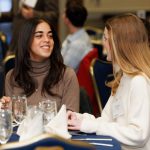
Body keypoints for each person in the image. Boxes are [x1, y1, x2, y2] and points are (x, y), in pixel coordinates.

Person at [67, 13, 150, 150]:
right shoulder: (123, 78)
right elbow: (106, 122)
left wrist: (90, 126)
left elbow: (138, 135)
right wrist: (80, 119)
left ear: (119, 44)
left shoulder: (139, 81)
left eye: (105, 38)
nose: (102, 43)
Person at [2, 17, 79, 112]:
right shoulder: (12, 77)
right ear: (26, 41)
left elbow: (70, 121)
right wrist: (6, 110)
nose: (47, 40)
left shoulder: (66, 75)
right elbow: (13, 122)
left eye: (50, 36)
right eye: (39, 36)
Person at [61, 4, 93, 72]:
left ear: (67, 20)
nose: (62, 15)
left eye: (64, 13)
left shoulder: (78, 44)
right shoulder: (76, 35)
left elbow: (64, 70)